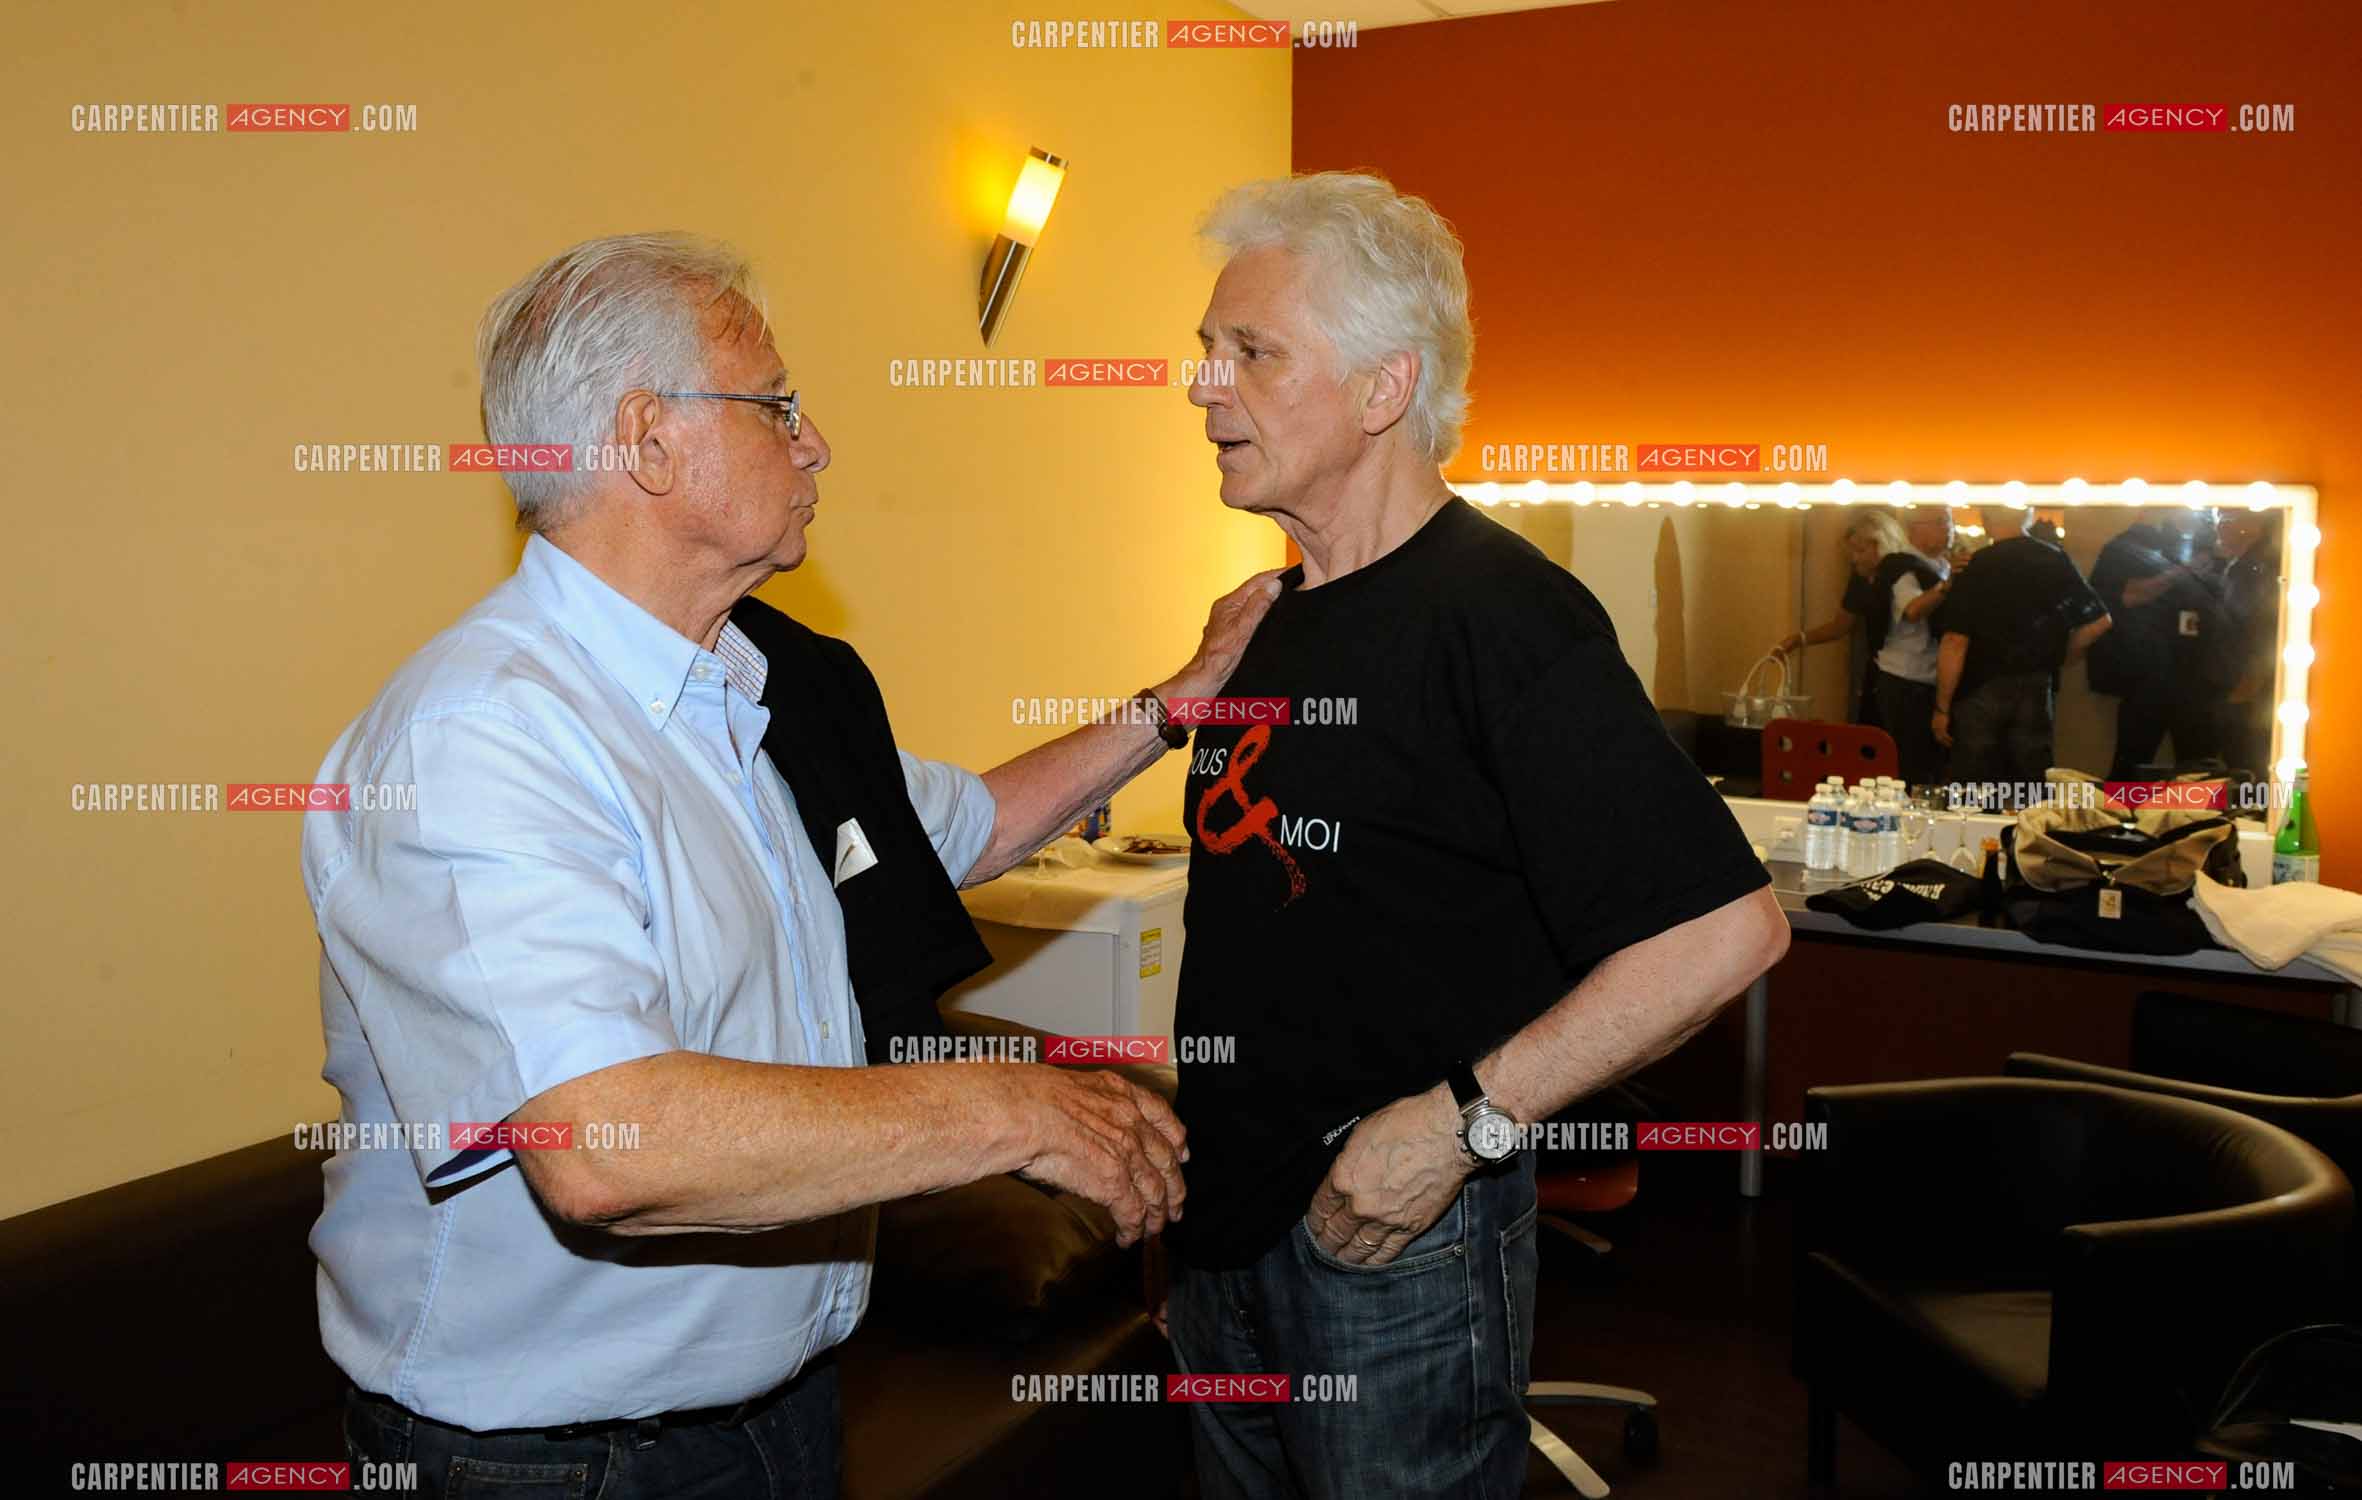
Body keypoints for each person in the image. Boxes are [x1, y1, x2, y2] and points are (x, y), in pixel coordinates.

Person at [301, 232, 1280, 1497]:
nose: (815, 444)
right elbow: (605, 1146)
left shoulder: (750, 688)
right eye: (776, 406)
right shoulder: (481, 735)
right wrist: (1015, 1107)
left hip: (783, 1417)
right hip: (564, 1468)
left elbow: (966, 827)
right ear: (649, 441)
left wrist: (1178, 703)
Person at [1164, 173, 1790, 1500]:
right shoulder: (1267, 615)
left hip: (1394, 1240)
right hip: (1229, 1230)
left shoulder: (1504, 616)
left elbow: (1723, 933)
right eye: (1207, 349)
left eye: (1251, 352)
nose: (1202, 387)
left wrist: (1458, 1129)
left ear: (1382, 389)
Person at [1931, 503, 2112, 802]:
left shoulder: (1977, 565)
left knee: (1974, 790)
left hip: (1980, 688)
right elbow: (2099, 622)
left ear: (1986, 518)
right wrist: (2060, 657)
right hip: (2036, 685)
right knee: (2030, 787)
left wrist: (1942, 708)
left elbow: (1954, 641)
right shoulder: (2054, 559)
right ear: (2027, 516)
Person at [2088, 510, 2231, 778]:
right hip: (2148, 676)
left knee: (2199, 770)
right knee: (2132, 764)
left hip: (2196, 677)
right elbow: (2126, 596)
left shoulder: (2211, 549)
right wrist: (2184, 572)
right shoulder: (2129, 547)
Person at [1774, 508, 1912, 726]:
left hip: (1911, 675)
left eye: (1861, 550)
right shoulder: (1861, 580)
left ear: (1881, 544)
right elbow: (1840, 625)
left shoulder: (1908, 575)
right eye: (1852, 552)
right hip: (1880, 672)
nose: (1855, 559)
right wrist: (1799, 639)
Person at [2210, 509, 2285, 777]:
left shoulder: (2255, 569)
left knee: (2248, 764)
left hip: (2248, 686)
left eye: (2227, 520)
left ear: (2253, 526)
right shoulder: (2240, 566)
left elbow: (2261, 629)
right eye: (2217, 520)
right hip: (2238, 681)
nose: (2219, 528)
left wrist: (2248, 683)